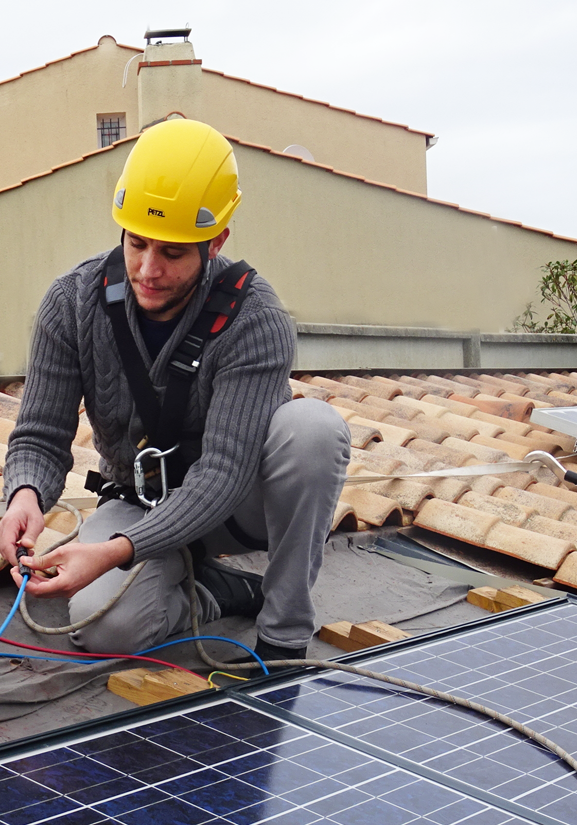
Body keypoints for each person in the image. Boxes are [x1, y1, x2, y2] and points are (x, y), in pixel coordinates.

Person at [0, 118, 350, 661]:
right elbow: (41, 436)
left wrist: (115, 551)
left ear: (216, 243)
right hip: (139, 499)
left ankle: (283, 632)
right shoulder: (71, 303)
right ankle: (210, 592)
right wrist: (24, 495)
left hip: (237, 509)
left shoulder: (255, 320)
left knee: (313, 431)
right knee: (105, 633)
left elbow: (224, 473)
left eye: (173, 253)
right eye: (137, 244)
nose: (148, 269)